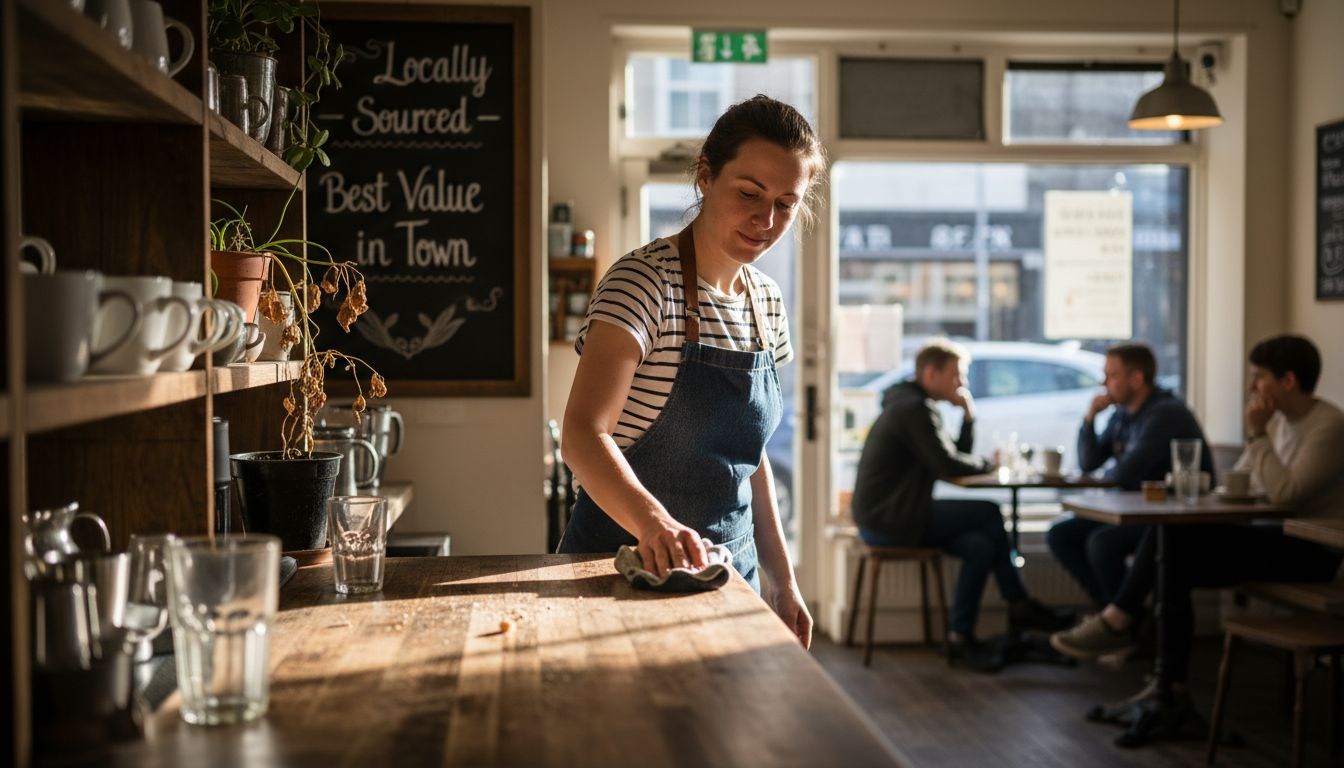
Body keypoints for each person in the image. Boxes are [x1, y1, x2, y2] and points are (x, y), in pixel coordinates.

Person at [558, 95, 821, 648]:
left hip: (730, 582)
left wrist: (784, 580)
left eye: (785, 204)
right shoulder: (641, 283)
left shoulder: (767, 303)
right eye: (749, 193)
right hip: (615, 575)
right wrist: (655, 524)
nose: (765, 220)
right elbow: (584, 434)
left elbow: (752, 459)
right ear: (706, 176)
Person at [1051, 335, 1344, 687]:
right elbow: (1241, 481)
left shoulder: (1328, 426)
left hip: (1311, 550)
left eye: (1258, 377)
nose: (1251, 386)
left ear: (1288, 381)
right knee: (1169, 549)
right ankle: (1165, 686)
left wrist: (1256, 435)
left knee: (1167, 543)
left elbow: (1287, 494)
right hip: (1268, 536)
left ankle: (1124, 628)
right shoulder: (1278, 422)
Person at [850, 338, 1073, 671]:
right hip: (890, 521)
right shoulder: (915, 409)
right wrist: (991, 466)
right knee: (989, 512)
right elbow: (948, 466)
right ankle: (1018, 603)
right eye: (957, 376)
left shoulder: (910, 404)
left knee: (981, 546)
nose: (962, 384)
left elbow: (951, 457)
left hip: (890, 517)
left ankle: (959, 637)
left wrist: (968, 418)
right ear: (930, 373)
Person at [1046, 343, 1215, 610]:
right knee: (1061, 534)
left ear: (1136, 379)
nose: (1104, 383)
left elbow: (1126, 473)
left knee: (1101, 543)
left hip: (1170, 517)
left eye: (1112, 376)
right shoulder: (1122, 414)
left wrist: (1111, 474)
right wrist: (1089, 419)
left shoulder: (1166, 413)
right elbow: (1090, 463)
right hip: (1134, 510)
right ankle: (1114, 615)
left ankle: (1123, 622)